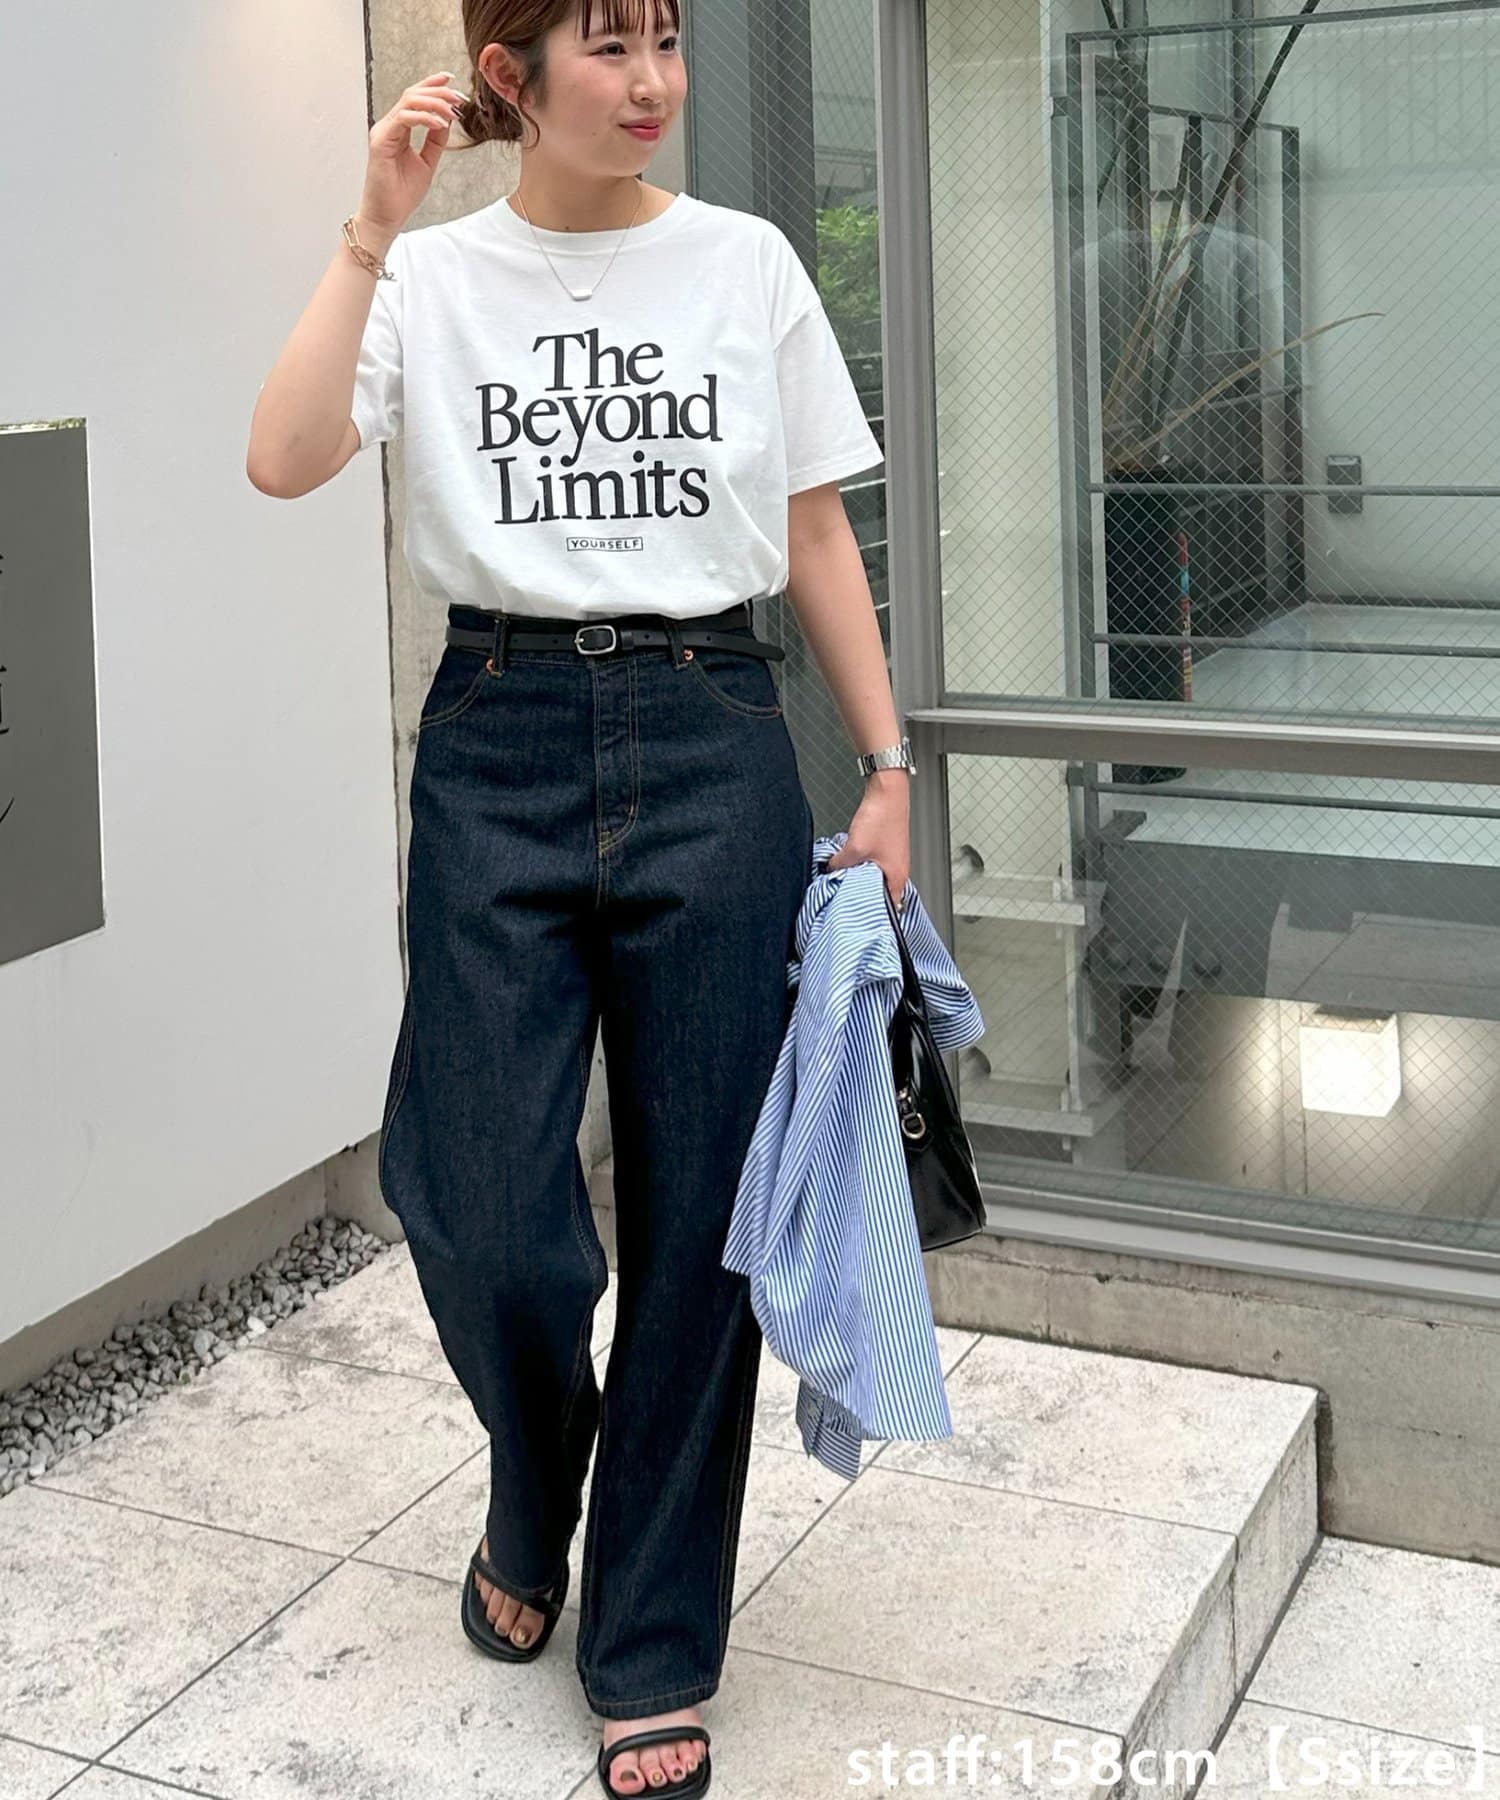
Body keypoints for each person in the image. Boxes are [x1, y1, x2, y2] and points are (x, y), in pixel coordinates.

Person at [246, 2, 912, 1792]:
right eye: (610, 47)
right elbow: (283, 456)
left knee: (705, 1222)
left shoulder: (745, 263)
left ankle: (652, 1637)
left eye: (667, 41)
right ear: (511, 76)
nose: (654, 82)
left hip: (711, 732)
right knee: (473, 1193)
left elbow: (815, 527)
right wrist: (368, 227)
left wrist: (888, 769)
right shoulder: (433, 276)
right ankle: (540, 1475)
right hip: (501, 732)